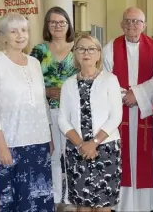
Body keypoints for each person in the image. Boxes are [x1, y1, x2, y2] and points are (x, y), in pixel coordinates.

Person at [0, 13, 54, 211]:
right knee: (16, 199)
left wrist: (48, 137)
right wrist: (1, 145)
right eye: (13, 31)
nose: (20, 35)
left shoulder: (34, 63)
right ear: (3, 36)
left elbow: (42, 102)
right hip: (12, 142)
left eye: (23, 30)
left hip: (39, 142)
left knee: (40, 197)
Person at [102, 7, 153, 212]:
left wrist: (137, 94)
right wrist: (125, 96)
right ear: (121, 24)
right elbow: (105, 78)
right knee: (122, 158)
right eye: (128, 21)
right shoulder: (110, 48)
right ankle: (122, 204)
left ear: (144, 25)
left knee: (147, 159)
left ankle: (147, 204)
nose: (132, 25)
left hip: (145, 113)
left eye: (136, 21)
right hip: (119, 114)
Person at [58, 34, 123, 212]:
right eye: (81, 48)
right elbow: (62, 119)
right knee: (82, 205)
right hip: (77, 149)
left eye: (91, 49)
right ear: (75, 54)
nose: (86, 52)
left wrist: (94, 143)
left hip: (105, 147)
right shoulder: (68, 84)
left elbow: (116, 116)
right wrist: (82, 144)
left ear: (99, 54)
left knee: (103, 204)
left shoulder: (110, 80)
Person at [30, 6, 77, 207]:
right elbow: (29, 81)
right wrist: (46, 91)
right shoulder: (39, 50)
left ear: (68, 25)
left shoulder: (79, 47)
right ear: (47, 26)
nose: (58, 26)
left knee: (73, 153)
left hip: (74, 110)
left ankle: (72, 194)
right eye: (53, 22)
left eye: (62, 22)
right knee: (54, 153)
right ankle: (56, 195)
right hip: (47, 109)